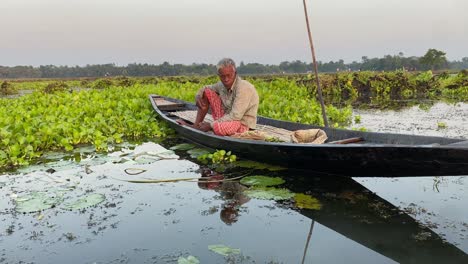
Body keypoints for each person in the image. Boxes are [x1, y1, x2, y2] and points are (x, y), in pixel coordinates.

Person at [178, 58, 259, 136]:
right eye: (222, 76)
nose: (226, 79)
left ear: (235, 73)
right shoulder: (221, 85)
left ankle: (209, 127)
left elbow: (235, 116)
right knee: (206, 92)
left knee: (220, 127)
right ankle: (196, 126)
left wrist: (210, 125)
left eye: (229, 75)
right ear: (219, 75)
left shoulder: (243, 87)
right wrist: (198, 96)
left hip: (241, 124)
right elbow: (205, 88)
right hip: (226, 118)